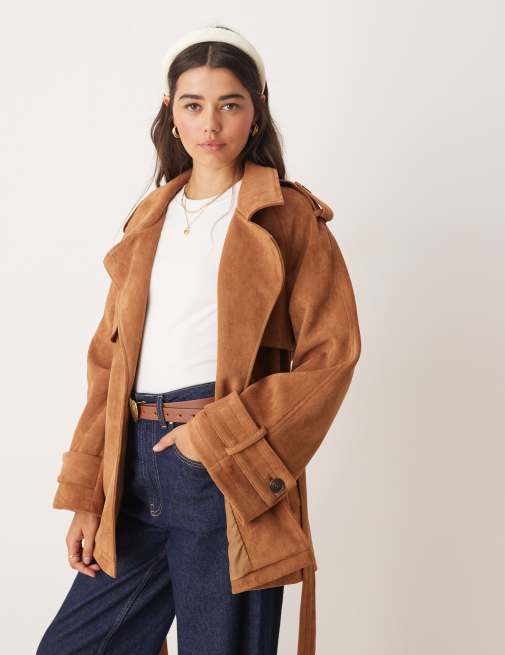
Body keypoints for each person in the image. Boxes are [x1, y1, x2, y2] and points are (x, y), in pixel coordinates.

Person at [36, 24, 361, 655]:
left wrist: (213, 440)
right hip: (131, 467)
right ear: (171, 111)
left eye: (229, 104)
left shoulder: (287, 215)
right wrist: (88, 495)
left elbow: (333, 355)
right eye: (193, 104)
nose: (210, 123)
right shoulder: (149, 218)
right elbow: (107, 364)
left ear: (256, 110)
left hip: (224, 464)